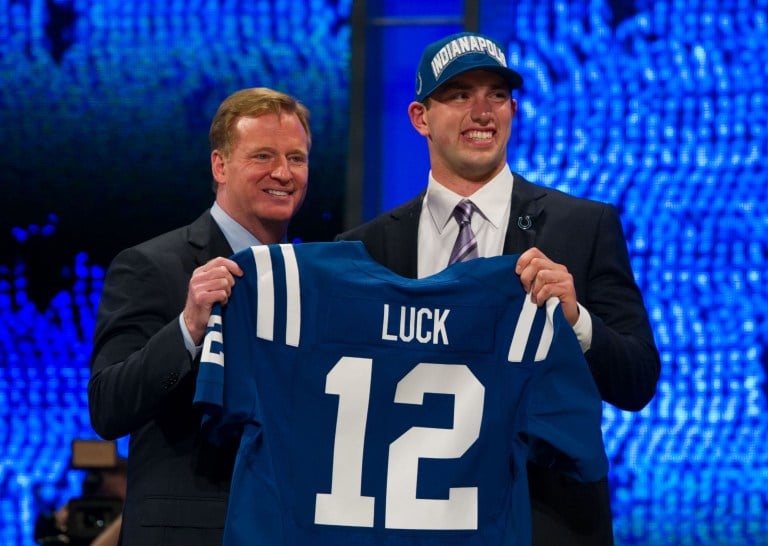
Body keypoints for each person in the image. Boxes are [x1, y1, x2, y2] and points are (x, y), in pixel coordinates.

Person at [336, 31, 660, 545]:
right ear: (421, 117)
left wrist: (575, 322)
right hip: (409, 524)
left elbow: (639, 379)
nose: (482, 111)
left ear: (513, 111)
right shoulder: (365, 249)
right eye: (460, 94)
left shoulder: (583, 227)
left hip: (544, 521)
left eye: (497, 95)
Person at [88, 86, 311, 545]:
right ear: (220, 166)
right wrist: (188, 327)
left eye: (296, 158)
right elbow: (108, 408)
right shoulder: (151, 265)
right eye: (263, 156)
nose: (283, 173)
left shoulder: (313, 276)